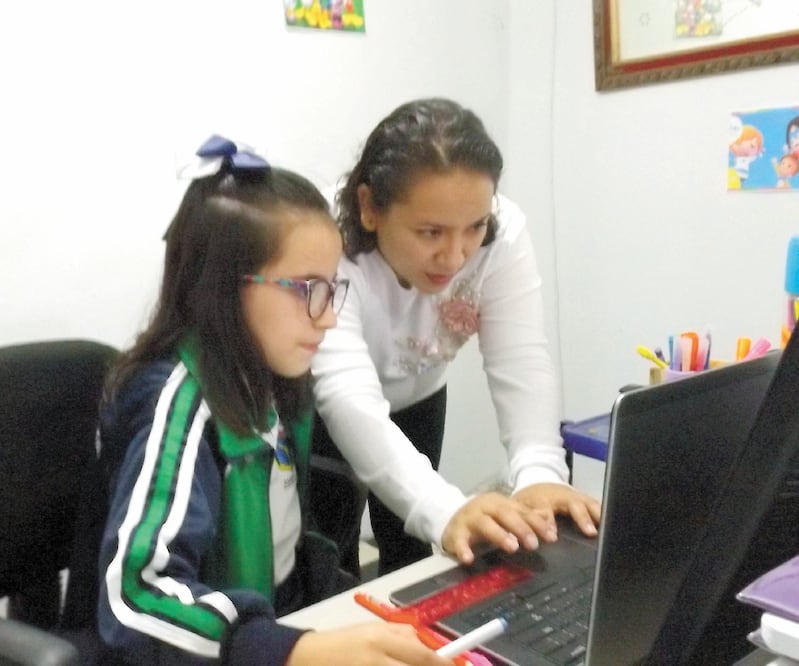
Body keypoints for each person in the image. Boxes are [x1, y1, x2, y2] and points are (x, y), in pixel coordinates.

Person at [94, 136, 453, 666]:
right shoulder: (178, 403)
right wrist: (290, 649)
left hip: (272, 625)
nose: (327, 316)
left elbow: (282, 548)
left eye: (332, 288)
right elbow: (137, 599)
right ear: (223, 288)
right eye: (308, 287)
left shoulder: (272, 380)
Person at [311, 98, 602, 578]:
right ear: (368, 207)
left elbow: (521, 360)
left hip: (420, 392)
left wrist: (539, 475)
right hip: (320, 410)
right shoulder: (325, 238)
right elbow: (345, 395)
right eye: (430, 232)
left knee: (412, 551)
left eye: (474, 228)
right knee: (328, 556)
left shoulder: (503, 233)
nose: (455, 255)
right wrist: (444, 508)